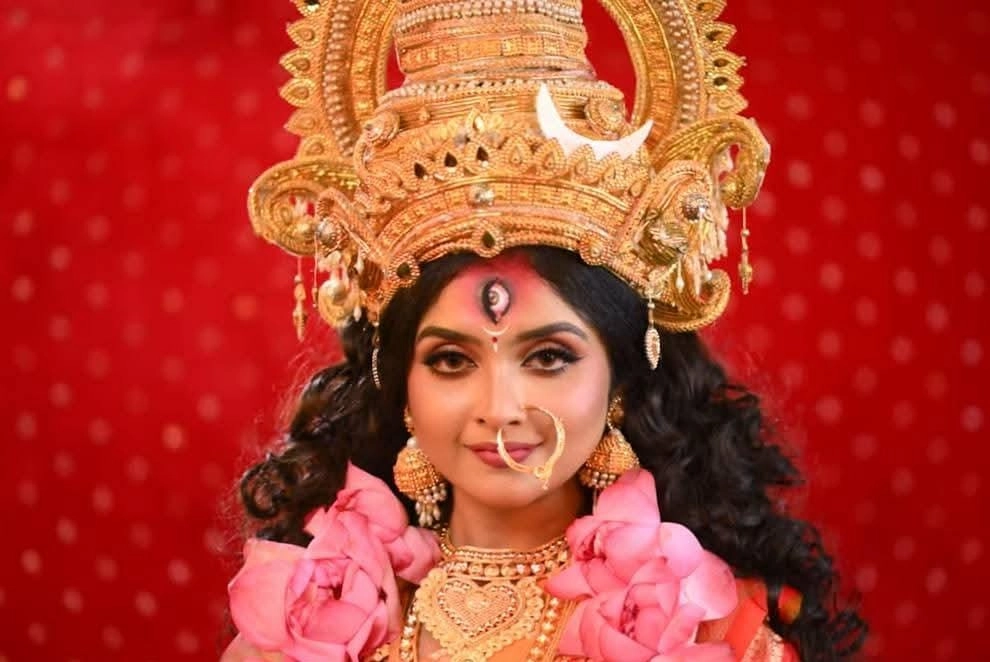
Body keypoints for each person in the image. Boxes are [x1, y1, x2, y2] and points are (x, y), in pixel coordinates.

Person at [223, 0, 867, 660]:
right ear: (399, 384)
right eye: (451, 361)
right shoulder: (299, 631)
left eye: (550, 357)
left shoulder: (708, 634)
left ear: (622, 378)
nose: (501, 409)